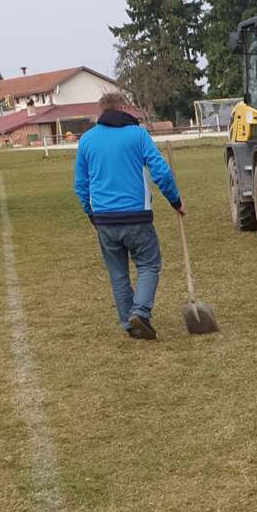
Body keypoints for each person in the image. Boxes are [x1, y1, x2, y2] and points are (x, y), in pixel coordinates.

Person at [74, 92, 183, 340]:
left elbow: (81, 184)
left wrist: (90, 213)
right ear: (123, 108)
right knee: (148, 265)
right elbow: (161, 172)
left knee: (118, 273)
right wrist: (175, 200)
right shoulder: (138, 134)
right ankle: (140, 312)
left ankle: (130, 323)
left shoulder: (87, 140)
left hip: (104, 219)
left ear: (101, 111)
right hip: (136, 216)